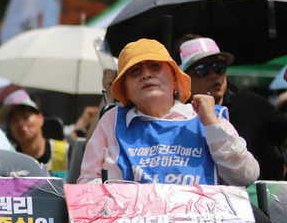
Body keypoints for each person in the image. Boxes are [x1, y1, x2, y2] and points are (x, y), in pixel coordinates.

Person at [78, 38, 258, 186]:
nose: (146, 74)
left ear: (174, 79)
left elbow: (245, 176)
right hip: (129, 219)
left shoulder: (206, 116)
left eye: (155, 66)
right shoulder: (112, 120)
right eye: (135, 70)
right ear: (125, 90)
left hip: (200, 219)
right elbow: (87, 183)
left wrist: (212, 125)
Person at [177, 35, 287, 180]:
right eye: (202, 70)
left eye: (219, 67)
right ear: (182, 78)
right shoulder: (176, 118)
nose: (214, 75)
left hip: (260, 193)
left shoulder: (251, 103)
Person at [0, 89, 68, 175]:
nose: (20, 123)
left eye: (25, 117)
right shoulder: (7, 161)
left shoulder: (67, 152)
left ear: (40, 118)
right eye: (14, 119)